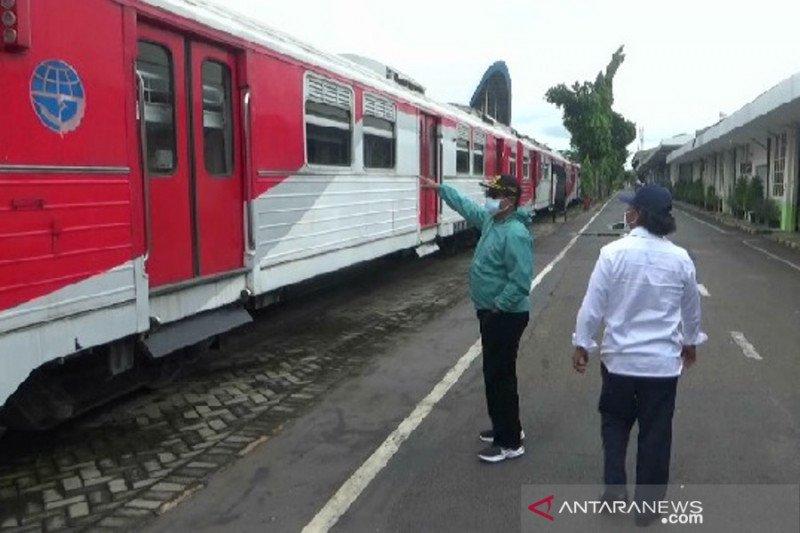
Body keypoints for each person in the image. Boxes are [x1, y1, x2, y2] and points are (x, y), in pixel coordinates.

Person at [571, 185, 706, 526]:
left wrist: (582, 344)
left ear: (640, 214)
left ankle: (615, 490)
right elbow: (692, 310)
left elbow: (592, 306)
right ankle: (647, 510)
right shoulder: (680, 259)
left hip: (619, 363)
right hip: (661, 368)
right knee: (655, 434)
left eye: (631, 208)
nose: (627, 213)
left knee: (614, 425)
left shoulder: (612, 253)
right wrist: (689, 342)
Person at [420, 174, 533, 463]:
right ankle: (505, 428)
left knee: (500, 377)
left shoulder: (515, 233)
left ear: (508, 201)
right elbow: (467, 207)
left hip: (505, 315)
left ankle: (509, 443)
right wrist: (441, 189)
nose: (489, 200)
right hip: (493, 312)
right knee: (494, 374)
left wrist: (497, 307)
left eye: (494, 195)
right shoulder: (493, 222)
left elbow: (521, 281)